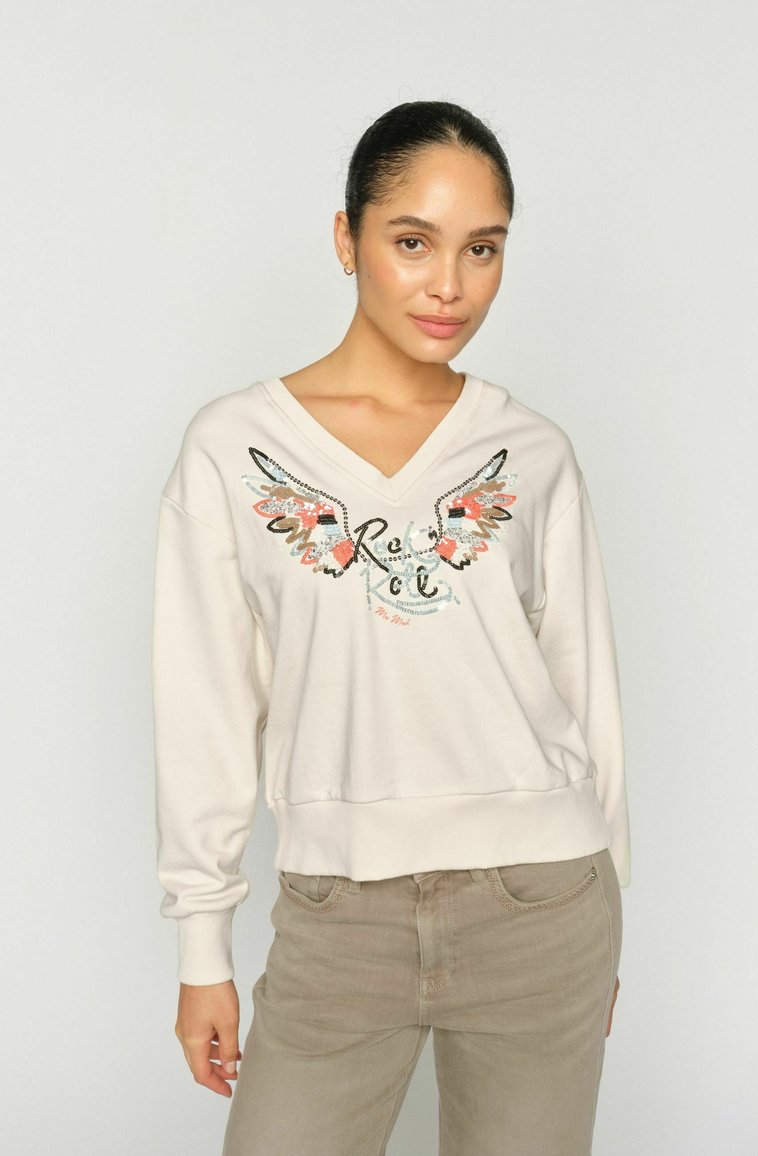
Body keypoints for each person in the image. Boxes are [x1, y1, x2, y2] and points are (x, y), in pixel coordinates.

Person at [151, 99, 631, 1156]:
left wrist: (612, 923)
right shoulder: (233, 448)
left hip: (543, 905)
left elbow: (584, 685)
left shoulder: (531, 452)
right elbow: (204, 704)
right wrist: (202, 946)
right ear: (347, 238)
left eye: (482, 249)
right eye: (412, 242)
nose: (448, 285)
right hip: (338, 917)